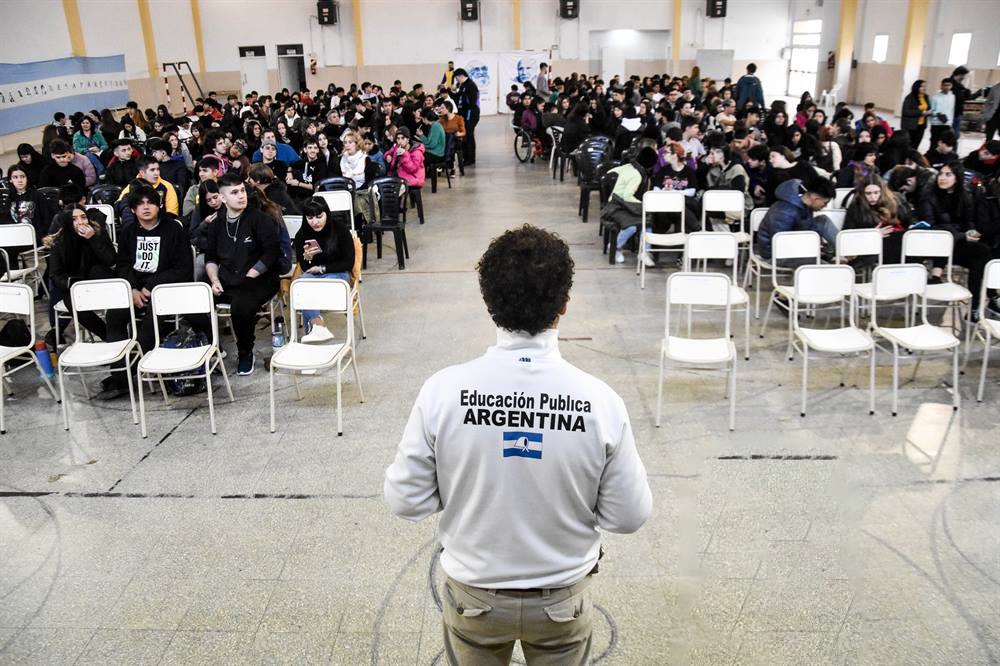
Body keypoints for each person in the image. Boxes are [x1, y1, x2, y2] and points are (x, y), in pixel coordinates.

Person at [384, 224, 651, 666]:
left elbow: (404, 501)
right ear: (564, 305)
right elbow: (629, 515)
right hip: (562, 601)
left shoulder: (443, 392)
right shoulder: (600, 402)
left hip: (475, 596)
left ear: (490, 303)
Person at [99, 184, 196, 399]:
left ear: (159, 205)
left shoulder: (174, 229)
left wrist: (151, 285)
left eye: (150, 202)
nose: (145, 207)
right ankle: (120, 373)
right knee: (114, 316)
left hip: (165, 287)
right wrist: (133, 288)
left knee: (151, 322)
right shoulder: (128, 232)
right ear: (133, 209)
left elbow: (183, 269)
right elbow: (123, 264)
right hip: (135, 286)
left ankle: (127, 373)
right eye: (140, 204)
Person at [204, 172, 282, 375]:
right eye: (234, 192)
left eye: (242, 190)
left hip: (259, 278)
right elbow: (210, 258)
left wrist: (252, 274)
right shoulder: (216, 225)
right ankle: (213, 349)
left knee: (241, 305)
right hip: (227, 277)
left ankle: (245, 351)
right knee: (196, 300)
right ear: (222, 198)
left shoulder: (260, 219)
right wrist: (213, 280)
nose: (241, 195)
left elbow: (272, 252)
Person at [918, 162, 991, 313]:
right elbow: (930, 227)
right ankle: (936, 273)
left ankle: (975, 307)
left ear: (957, 178)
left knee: (982, 252)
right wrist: (963, 235)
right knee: (949, 238)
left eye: (948, 174)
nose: (942, 178)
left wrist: (971, 232)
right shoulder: (928, 196)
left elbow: (968, 222)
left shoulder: (964, 196)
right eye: (941, 174)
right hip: (934, 244)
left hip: (957, 243)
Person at [43, 203, 117, 347]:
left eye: (83, 217)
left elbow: (111, 260)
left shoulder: (97, 232)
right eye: (74, 219)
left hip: (98, 282)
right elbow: (55, 274)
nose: (81, 222)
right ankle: (107, 336)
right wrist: (71, 284)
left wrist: (93, 239)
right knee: (73, 302)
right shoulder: (58, 242)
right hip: (74, 285)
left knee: (99, 271)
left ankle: (117, 331)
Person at [293, 197, 356, 343]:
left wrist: (322, 268)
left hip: (337, 273)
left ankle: (316, 328)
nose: (315, 221)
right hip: (313, 274)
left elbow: (348, 263)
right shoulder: (301, 235)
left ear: (326, 213)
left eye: (319, 216)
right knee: (301, 284)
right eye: (310, 217)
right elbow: (305, 267)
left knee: (318, 288)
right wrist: (307, 258)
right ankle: (318, 325)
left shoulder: (340, 229)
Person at [756, 176, 838, 262]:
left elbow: (809, 227)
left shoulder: (804, 203)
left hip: (794, 245)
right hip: (775, 254)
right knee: (825, 269)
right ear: (815, 199)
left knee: (822, 221)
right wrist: (811, 249)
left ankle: (846, 253)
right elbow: (781, 244)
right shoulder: (785, 211)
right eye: (825, 203)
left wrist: (817, 246)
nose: (825, 206)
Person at [843, 174, 911, 263]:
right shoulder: (856, 207)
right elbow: (848, 234)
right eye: (868, 193)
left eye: (876, 192)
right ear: (862, 193)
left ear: (882, 191)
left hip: (896, 239)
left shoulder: (895, 199)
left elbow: (907, 219)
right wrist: (872, 233)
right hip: (870, 246)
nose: (873, 197)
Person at [6, 164, 55, 245]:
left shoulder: (37, 195)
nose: (20, 180)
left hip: (35, 236)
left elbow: (47, 218)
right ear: (10, 180)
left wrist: (42, 235)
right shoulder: (10, 198)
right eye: (15, 177)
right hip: (15, 237)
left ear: (27, 178)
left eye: (22, 176)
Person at [453, 68, 480, 165]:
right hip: (464, 115)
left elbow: (472, 103)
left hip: (470, 114)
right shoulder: (463, 86)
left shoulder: (471, 86)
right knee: (464, 136)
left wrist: (468, 117)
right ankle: (466, 157)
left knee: (469, 135)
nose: (457, 81)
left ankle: (470, 159)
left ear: (461, 76)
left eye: (457, 78)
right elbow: (458, 97)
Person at [949, 66, 984, 139]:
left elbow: (968, 97)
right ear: (959, 74)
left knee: (956, 135)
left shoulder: (960, 85)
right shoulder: (949, 84)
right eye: (963, 75)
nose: (964, 77)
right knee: (950, 135)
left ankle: (953, 149)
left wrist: (978, 93)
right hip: (950, 114)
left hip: (957, 113)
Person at [901, 80, 932, 150]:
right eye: (922, 86)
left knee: (916, 145)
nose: (924, 88)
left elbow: (928, 108)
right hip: (911, 126)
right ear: (916, 87)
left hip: (922, 125)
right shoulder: (910, 97)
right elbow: (906, 112)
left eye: (925, 86)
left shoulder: (926, 97)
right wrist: (921, 113)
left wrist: (929, 112)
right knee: (908, 145)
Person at [929, 78, 955, 146]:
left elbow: (952, 111)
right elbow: (931, 111)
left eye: (948, 85)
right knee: (934, 143)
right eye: (945, 85)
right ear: (941, 86)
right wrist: (937, 114)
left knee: (945, 144)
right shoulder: (935, 97)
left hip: (947, 124)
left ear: (951, 86)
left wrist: (951, 123)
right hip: (936, 124)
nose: (946, 87)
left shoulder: (953, 97)